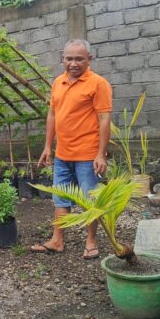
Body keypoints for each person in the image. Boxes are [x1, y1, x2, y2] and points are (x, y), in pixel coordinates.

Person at [30, 39, 112, 260]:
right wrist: (48, 146)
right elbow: (53, 115)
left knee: (89, 200)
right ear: (62, 58)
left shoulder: (98, 84)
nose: (73, 63)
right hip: (63, 154)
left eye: (79, 59)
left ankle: (91, 242)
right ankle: (57, 241)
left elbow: (104, 120)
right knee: (61, 198)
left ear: (89, 60)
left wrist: (100, 154)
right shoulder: (58, 82)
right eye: (69, 58)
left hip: (88, 155)